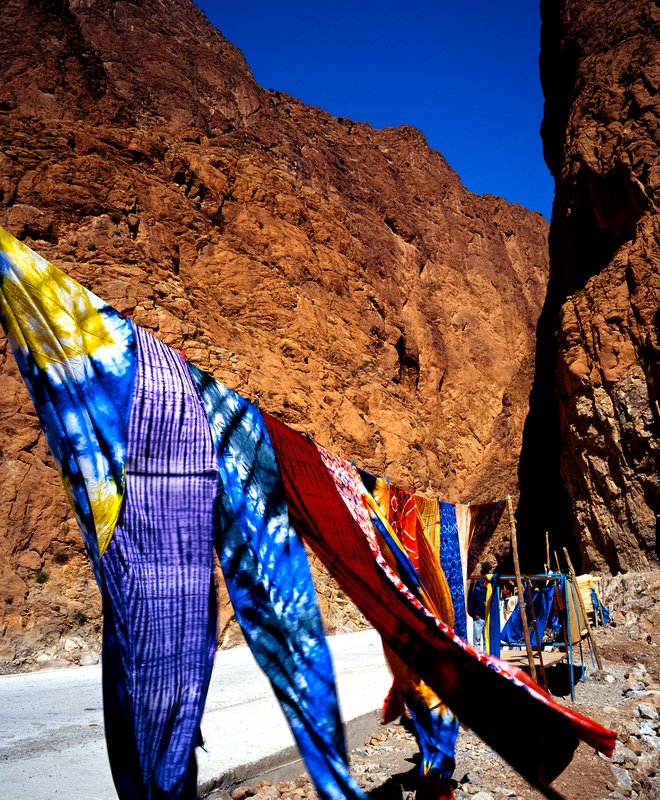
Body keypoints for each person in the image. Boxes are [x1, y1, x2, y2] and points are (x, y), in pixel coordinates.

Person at [468, 561, 493, 650]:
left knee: (487, 641)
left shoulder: (489, 593)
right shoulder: (476, 593)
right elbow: (470, 606)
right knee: (477, 641)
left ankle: (487, 659)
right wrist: (475, 615)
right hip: (478, 619)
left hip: (487, 619)